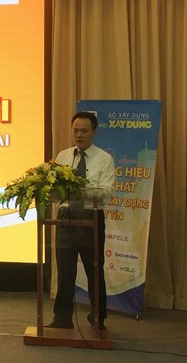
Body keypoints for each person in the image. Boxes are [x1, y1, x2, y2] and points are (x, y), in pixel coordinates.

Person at [47, 111, 115, 330]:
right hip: (65, 218)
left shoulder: (104, 159)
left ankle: (98, 318)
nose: (79, 135)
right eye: (75, 131)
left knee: (94, 271)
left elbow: (107, 192)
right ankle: (62, 318)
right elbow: (53, 188)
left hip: (90, 218)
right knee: (65, 272)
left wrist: (81, 192)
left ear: (93, 132)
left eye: (84, 131)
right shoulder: (63, 156)